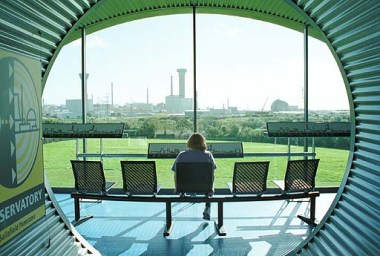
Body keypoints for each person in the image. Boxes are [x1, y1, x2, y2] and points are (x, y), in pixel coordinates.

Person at [171, 132, 217, 220]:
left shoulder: (182, 155)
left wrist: (177, 188)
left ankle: (182, 193)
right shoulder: (208, 155)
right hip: (205, 187)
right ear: (203, 143)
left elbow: (176, 174)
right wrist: (210, 188)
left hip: (185, 187)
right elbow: (212, 174)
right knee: (210, 183)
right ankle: (208, 206)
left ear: (189, 143)